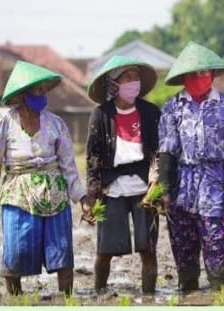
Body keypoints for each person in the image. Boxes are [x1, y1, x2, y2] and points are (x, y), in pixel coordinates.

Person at [0, 60, 89, 296]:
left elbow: (69, 168)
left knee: (62, 252)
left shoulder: (56, 124)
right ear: (23, 95)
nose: (42, 95)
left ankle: (66, 300)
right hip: (18, 194)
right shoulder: (5, 124)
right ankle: (16, 300)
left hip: (54, 193)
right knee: (15, 253)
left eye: (44, 90)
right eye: (37, 91)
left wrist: (84, 201)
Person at [157, 41, 224, 292]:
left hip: (216, 184)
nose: (199, 77)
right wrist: (164, 191)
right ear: (184, 77)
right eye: (193, 73)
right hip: (182, 185)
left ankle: (219, 292)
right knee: (183, 247)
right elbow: (166, 151)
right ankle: (187, 291)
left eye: (204, 72)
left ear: (212, 74)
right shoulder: (172, 107)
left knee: (217, 241)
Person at [84, 55, 161, 294]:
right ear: (114, 84)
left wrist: (156, 184)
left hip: (144, 188)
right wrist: (92, 193)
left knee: (147, 248)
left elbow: (158, 151)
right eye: (128, 78)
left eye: (136, 77)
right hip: (112, 188)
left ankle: (149, 295)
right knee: (105, 249)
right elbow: (93, 157)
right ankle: (99, 291)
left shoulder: (150, 112)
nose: (133, 82)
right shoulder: (101, 114)